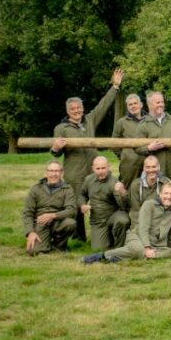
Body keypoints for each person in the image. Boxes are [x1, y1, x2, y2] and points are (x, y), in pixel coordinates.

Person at [52, 68, 123, 241]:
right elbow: (56, 153)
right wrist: (55, 148)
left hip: (95, 171)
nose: (77, 110)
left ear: (83, 109)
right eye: (73, 108)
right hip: (74, 173)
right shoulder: (61, 128)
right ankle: (78, 238)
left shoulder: (90, 120)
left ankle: (107, 233)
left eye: (79, 107)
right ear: (68, 111)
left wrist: (115, 86)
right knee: (76, 204)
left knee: (103, 201)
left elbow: (103, 105)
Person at [83, 183, 171, 263]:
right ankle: (102, 256)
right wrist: (147, 247)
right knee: (138, 249)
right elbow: (143, 228)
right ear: (160, 194)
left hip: (157, 245)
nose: (168, 197)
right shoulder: (149, 205)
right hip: (137, 236)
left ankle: (120, 259)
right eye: (166, 193)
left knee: (169, 252)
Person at [22, 160, 77, 254]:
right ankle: (44, 243)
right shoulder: (36, 189)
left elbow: (72, 211)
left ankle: (59, 245)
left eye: (57, 171)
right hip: (40, 224)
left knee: (70, 223)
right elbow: (27, 213)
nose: (54, 174)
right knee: (34, 252)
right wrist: (30, 232)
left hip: (58, 223)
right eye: (51, 171)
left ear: (62, 173)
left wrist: (52, 215)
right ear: (46, 173)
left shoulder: (68, 189)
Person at [78, 156, 129, 251]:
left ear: (108, 167)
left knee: (123, 220)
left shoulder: (114, 183)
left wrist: (122, 192)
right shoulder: (88, 180)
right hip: (97, 221)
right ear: (93, 168)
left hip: (112, 216)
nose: (101, 171)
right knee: (99, 248)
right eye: (98, 168)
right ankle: (109, 237)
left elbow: (124, 206)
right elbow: (82, 194)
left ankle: (119, 248)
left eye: (103, 168)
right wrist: (82, 205)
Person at [136, 91, 171, 186]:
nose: (161, 104)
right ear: (149, 104)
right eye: (158, 102)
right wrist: (149, 148)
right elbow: (137, 148)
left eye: (162, 102)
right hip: (154, 171)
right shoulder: (143, 124)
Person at [119, 155, 169, 226]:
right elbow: (135, 211)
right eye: (148, 167)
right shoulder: (136, 185)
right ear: (143, 168)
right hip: (141, 222)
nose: (151, 170)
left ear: (159, 167)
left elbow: (168, 209)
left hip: (159, 223)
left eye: (154, 167)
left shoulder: (166, 183)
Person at [111, 91, 145, 188]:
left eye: (135, 103)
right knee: (127, 188)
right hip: (129, 164)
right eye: (130, 104)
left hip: (147, 163)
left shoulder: (149, 120)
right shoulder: (121, 122)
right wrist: (123, 155)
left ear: (141, 104)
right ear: (127, 107)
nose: (133, 106)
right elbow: (114, 142)